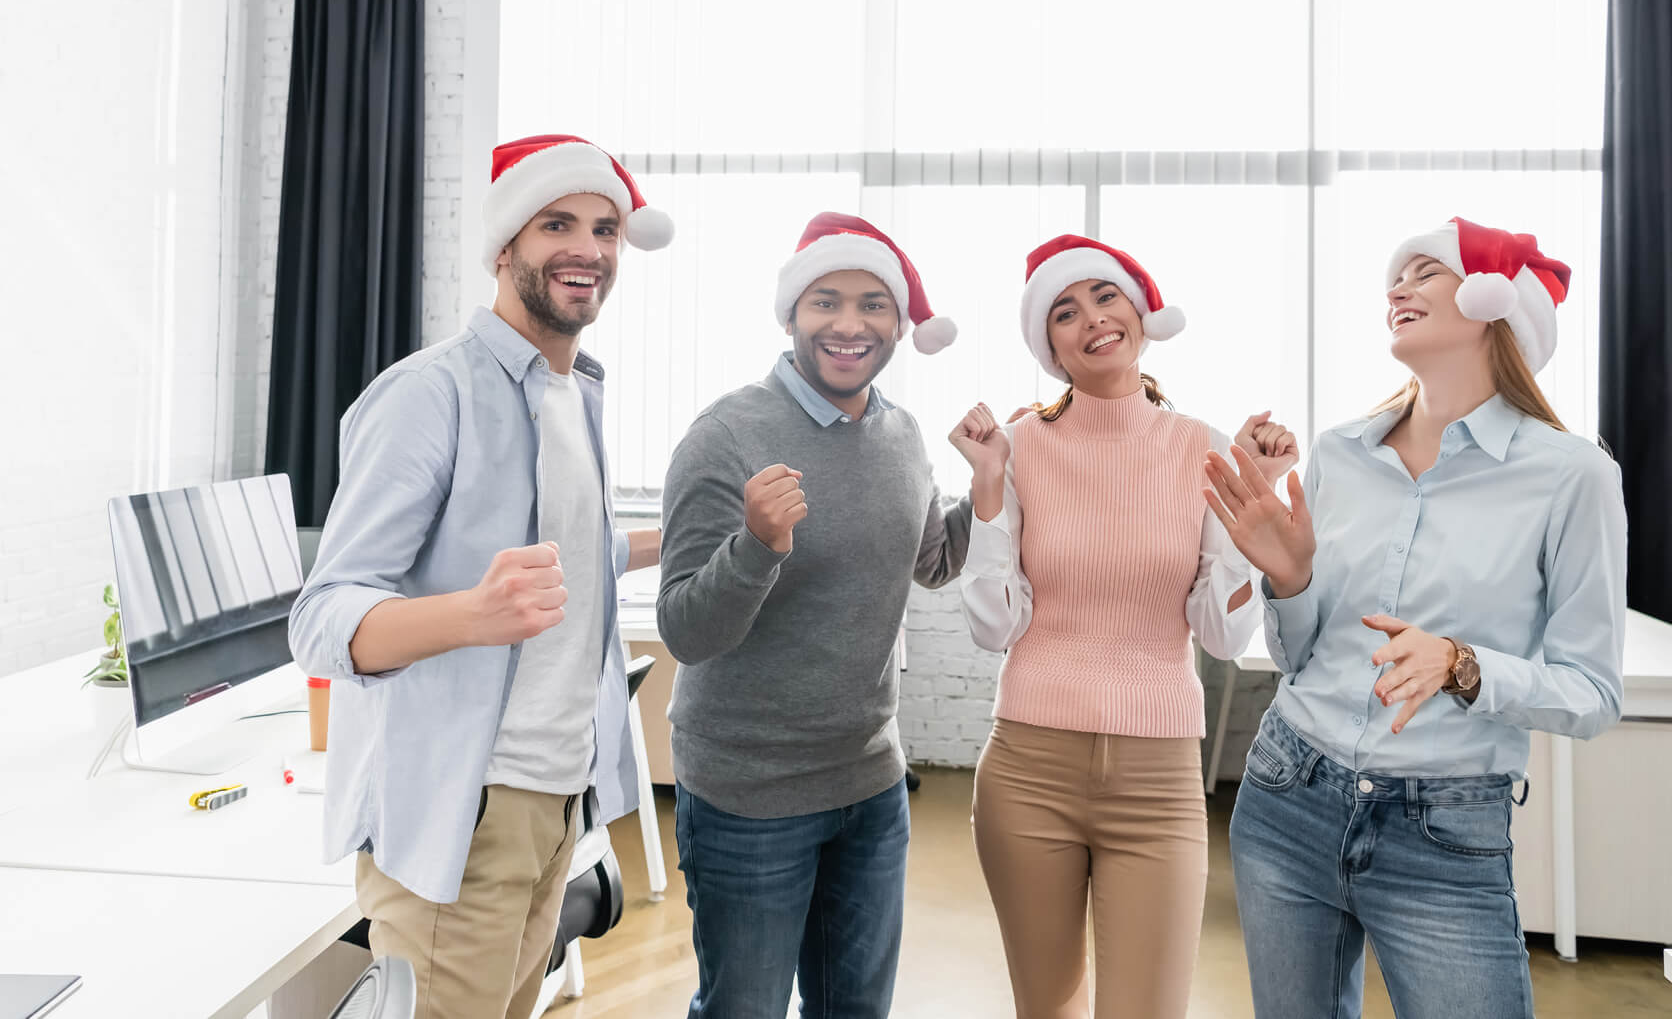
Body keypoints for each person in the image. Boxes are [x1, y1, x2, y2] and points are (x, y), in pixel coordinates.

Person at [289, 134, 671, 1019]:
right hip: (466, 813)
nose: (588, 248)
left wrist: (683, 536)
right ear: (505, 247)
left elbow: (569, 564)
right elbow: (322, 617)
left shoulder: (571, 392)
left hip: (557, 803)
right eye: (557, 224)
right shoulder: (429, 394)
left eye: (605, 228)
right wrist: (470, 613)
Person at [1207, 216, 1627, 1019]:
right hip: (1287, 796)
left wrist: (1461, 663)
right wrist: (1288, 580)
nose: (1398, 287)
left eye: (1426, 272)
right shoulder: (1339, 453)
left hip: (1444, 835)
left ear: (1493, 302)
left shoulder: (1573, 476)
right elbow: (1298, 658)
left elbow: (1593, 692)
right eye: (1396, 277)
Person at [951, 233, 1291, 1019]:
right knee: (1047, 1009)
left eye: (1106, 297)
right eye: (1065, 312)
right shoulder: (1017, 447)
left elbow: (1220, 635)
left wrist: (1252, 513)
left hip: (1157, 778)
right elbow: (995, 626)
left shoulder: (1203, 448)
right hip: (1028, 768)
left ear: (1141, 313)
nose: (1093, 319)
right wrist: (989, 488)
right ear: (1050, 346)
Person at [657, 211, 970, 1019]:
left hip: (871, 783)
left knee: (855, 1009)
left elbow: (933, 561)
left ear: (899, 324)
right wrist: (757, 546)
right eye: (826, 301)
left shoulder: (902, 434)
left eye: (872, 304)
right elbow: (685, 629)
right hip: (749, 795)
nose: (849, 323)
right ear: (790, 314)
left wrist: (994, 488)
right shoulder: (725, 435)